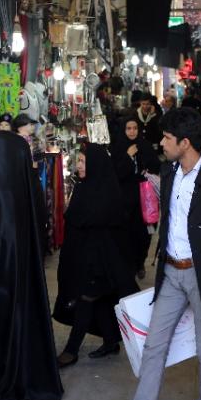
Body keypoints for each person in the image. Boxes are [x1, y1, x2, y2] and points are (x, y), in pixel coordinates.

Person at [100, 107, 201, 400]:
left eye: (166, 138)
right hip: (171, 273)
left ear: (185, 142)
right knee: (154, 345)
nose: (161, 143)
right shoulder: (169, 171)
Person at [0, 131, 63, 400]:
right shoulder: (23, 189)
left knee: (0, 328)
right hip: (18, 278)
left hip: (1, 283)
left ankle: (2, 377)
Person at [54, 144, 138, 367]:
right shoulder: (85, 187)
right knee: (99, 299)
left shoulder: (106, 193)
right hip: (87, 258)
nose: (78, 166)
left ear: (95, 164)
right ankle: (110, 342)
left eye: (83, 161)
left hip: (102, 261)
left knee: (87, 298)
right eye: (79, 161)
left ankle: (71, 351)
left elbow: (103, 226)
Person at [111, 117, 160, 279]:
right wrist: (128, 156)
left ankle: (140, 263)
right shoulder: (118, 148)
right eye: (129, 128)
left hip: (145, 198)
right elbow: (117, 173)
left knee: (144, 234)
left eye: (135, 128)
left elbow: (155, 166)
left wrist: (145, 168)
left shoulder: (145, 145)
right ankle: (129, 265)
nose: (132, 132)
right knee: (127, 234)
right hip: (125, 199)